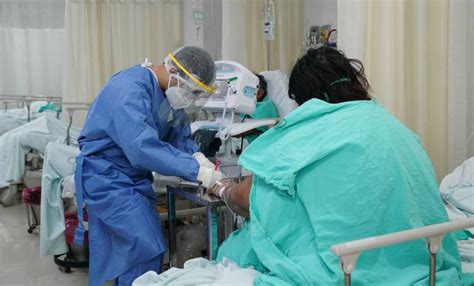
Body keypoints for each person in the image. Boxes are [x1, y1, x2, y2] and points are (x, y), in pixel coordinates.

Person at [209, 47, 462, 285]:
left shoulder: (308, 133)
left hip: (348, 269)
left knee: (237, 250)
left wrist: (221, 186)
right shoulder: (395, 127)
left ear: (303, 98)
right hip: (426, 263)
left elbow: (249, 200)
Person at [74, 46, 224, 286]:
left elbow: (178, 135)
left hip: (133, 179)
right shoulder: (129, 89)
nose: (190, 97)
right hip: (107, 177)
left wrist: (197, 157)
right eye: (191, 90)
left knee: (136, 250)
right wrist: (198, 171)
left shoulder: (166, 95)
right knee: (146, 247)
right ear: (173, 69)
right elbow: (140, 147)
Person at [237, 74, 279, 144]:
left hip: (265, 146)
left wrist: (234, 132)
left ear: (259, 93)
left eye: (245, 91)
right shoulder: (245, 106)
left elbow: (255, 128)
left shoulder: (266, 105)